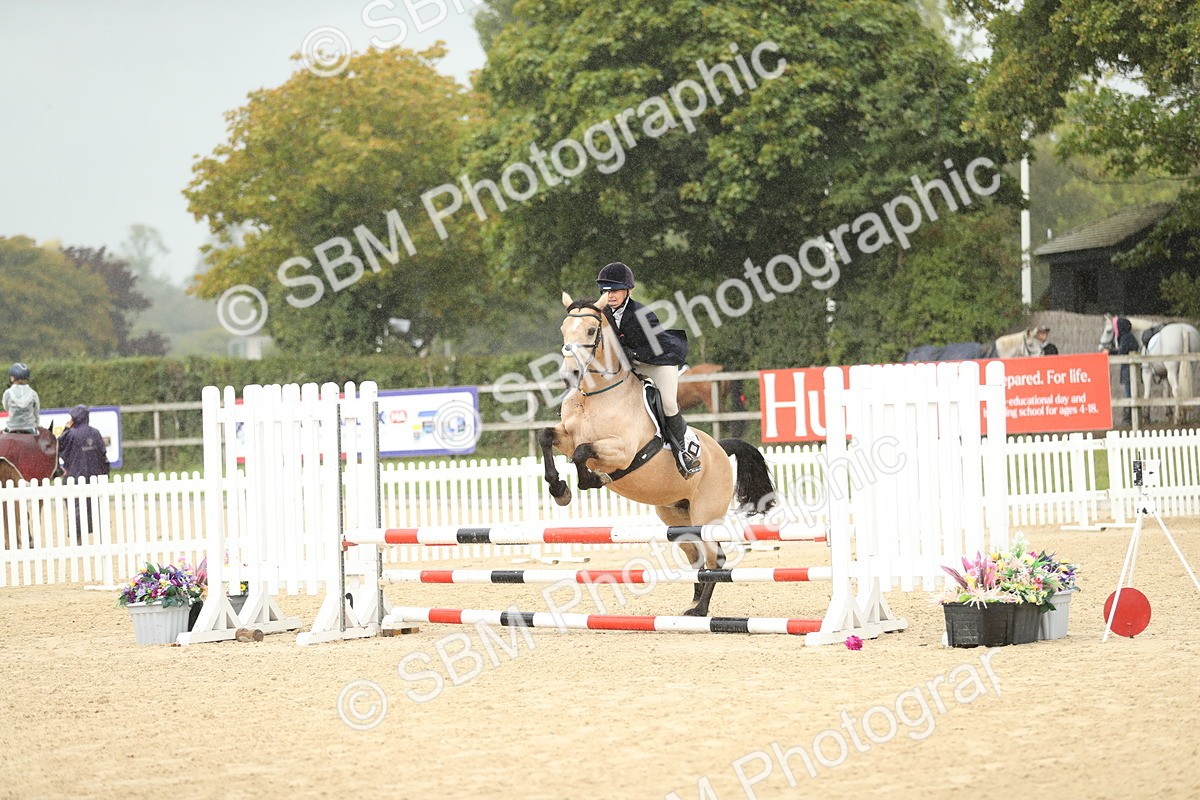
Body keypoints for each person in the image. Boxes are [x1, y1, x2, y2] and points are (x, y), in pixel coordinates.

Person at [595, 262, 701, 476]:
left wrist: (633, 354)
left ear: (628, 291)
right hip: (628, 366)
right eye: (606, 291)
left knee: (669, 403)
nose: (610, 295)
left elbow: (658, 344)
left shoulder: (641, 313)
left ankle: (683, 452)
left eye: (615, 290)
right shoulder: (602, 313)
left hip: (658, 361)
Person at [58, 405, 110, 541]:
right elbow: (103, 455)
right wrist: (105, 474)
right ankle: (100, 539)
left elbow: (58, 447)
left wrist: (66, 429)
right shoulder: (95, 433)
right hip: (95, 476)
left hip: (74, 476)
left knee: (75, 508)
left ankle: (78, 539)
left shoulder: (70, 434)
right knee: (96, 507)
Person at [1109, 317, 1139, 425]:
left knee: (1129, 394)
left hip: (1128, 371)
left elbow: (1121, 353)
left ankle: (1128, 419)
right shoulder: (1128, 337)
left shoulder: (1126, 338)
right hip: (1129, 372)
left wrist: (1110, 352)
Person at [2, 362, 40, 434]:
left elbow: (6, 408)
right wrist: (37, 425)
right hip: (29, 428)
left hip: (11, 428)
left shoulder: (7, 393)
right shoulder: (33, 393)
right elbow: (36, 413)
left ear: (12, 378)